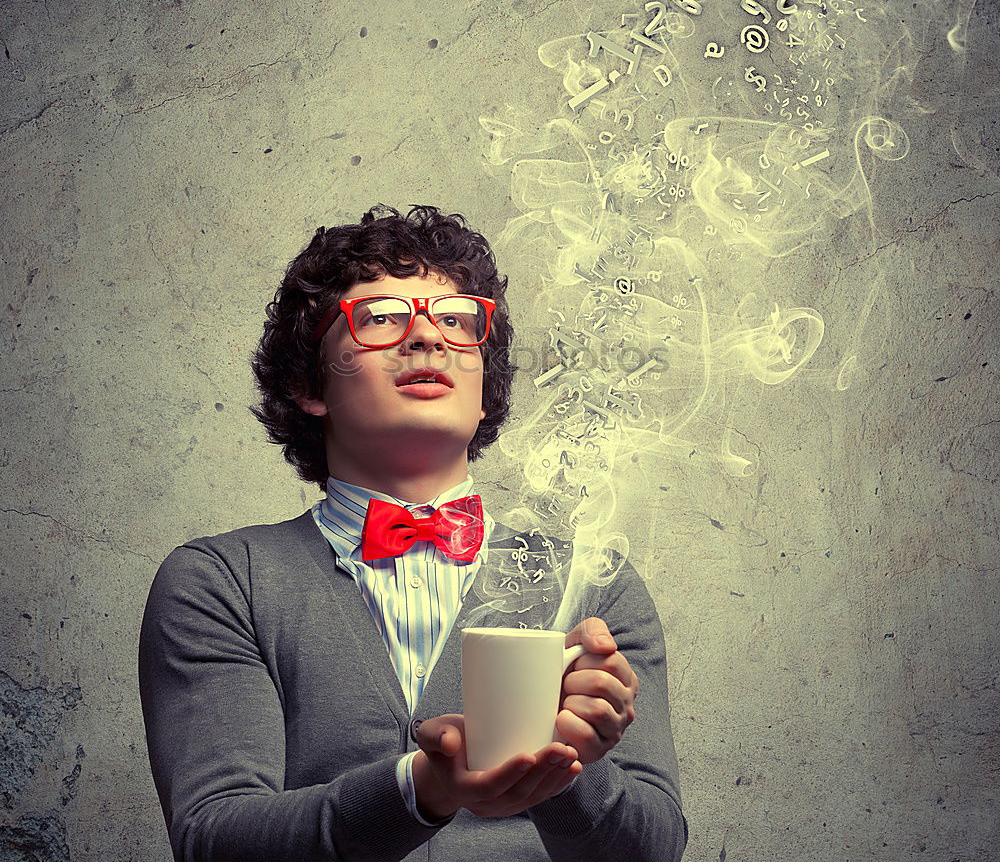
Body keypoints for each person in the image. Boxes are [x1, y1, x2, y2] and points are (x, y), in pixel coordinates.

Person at [138, 204, 688, 861]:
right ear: (308, 383)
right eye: (381, 318)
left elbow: (652, 850)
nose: (428, 339)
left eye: (456, 321)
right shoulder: (222, 583)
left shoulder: (596, 587)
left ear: (485, 387)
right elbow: (217, 841)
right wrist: (421, 788)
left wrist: (568, 764)